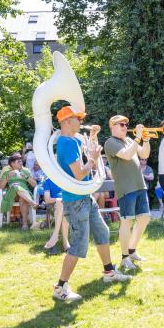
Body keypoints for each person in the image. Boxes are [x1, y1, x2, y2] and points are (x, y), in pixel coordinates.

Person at [52, 105, 130, 302]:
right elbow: (79, 172)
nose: (81, 122)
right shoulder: (66, 143)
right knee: (79, 244)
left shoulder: (71, 140)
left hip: (84, 197)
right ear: (67, 121)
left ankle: (109, 273)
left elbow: (87, 152)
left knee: (102, 232)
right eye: (78, 119)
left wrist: (93, 138)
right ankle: (61, 287)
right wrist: (93, 161)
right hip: (76, 201)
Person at [104, 115, 152, 271]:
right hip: (126, 187)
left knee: (144, 218)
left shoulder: (130, 140)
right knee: (127, 221)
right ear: (113, 126)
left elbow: (144, 154)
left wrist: (145, 139)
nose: (125, 126)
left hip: (139, 185)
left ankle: (132, 250)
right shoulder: (110, 142)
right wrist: (138, 138)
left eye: (126, 124)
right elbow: (126, 155)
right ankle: (125, 257)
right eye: (122, 124)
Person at [0, 154, 38, 229]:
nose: (21, 163)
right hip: (11, 195)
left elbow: (34, 184)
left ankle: (25, 224)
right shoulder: (7, 173)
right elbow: (1, 187)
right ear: (12, 164)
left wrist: (26, 177)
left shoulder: (25, 171)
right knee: (15, 186)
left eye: (21, 161)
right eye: (19, 162)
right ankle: (32, 203)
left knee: (22, 199)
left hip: (25, 193)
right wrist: (7, 178)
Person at [41, 177, 69, 252]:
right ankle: (65, 243)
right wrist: (58, 200)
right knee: (61, 205)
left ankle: (55, 235)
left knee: (63, 207)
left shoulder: (66, 178)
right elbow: (47, 199)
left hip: (68, 205)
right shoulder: (48, 181)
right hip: (53, 206)